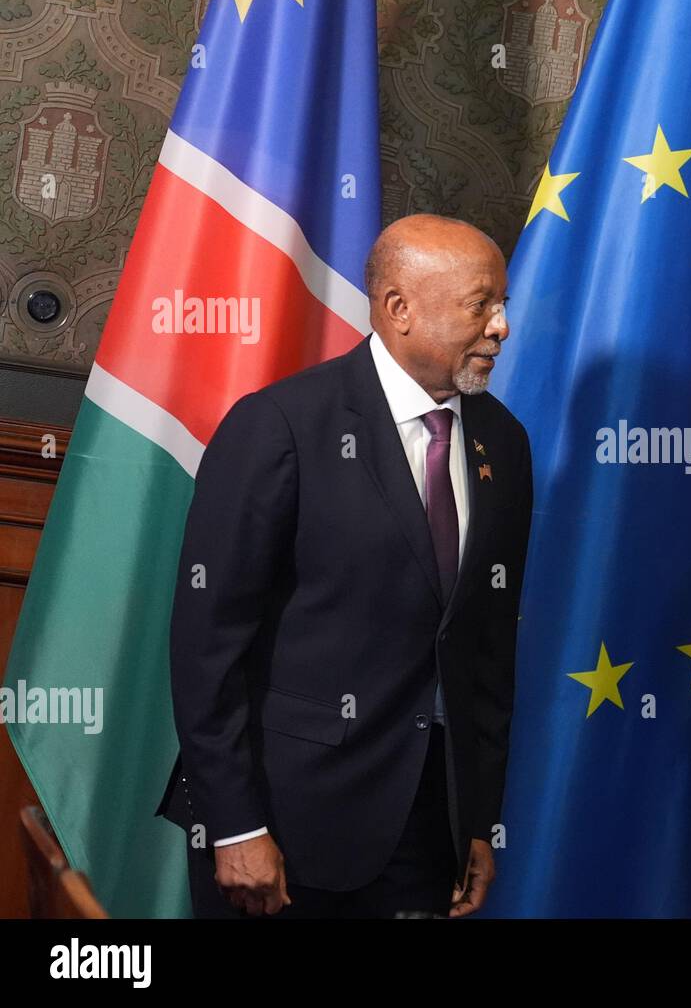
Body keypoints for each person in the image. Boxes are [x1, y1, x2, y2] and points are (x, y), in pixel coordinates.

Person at [155, 214, 532, 918]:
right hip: (286, 828)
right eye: (482, 304)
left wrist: (476, 820)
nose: (502, 326)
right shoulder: (281, 426)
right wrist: (235, 825)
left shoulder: (503, 444)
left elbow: (486, 651)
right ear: (399, 309)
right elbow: (207, 648)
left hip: (427, 836)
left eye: (502, 305)